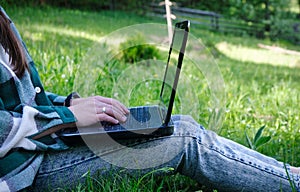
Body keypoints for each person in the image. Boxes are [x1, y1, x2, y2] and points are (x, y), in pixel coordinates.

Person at [0, 6, 299, 192]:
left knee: (176, 124)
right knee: (183, 138)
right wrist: (67, 119)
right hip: (24, 170)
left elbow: (20, 101)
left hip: (39, 147)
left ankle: (283, 173)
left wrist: (67, 105)